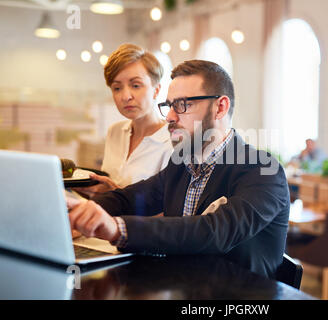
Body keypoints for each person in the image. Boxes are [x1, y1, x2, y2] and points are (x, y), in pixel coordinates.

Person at [67, 60, 290, 278]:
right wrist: (77, 211)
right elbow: (132, 198)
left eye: (184, 105)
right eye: (170, 106)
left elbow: (214, 232)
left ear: (220, 107)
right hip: (181, 287)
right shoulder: (181, 163)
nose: (171, 117)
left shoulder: (263, 170)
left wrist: (117, 228)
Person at [75, 43, 173, 198]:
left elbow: (170, 212)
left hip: (133, 223)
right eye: (117, 88)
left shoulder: (172, 141)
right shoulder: (115, 131)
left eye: (135, 85)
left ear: (156, 90)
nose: (126, 96)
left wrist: (114, 196)